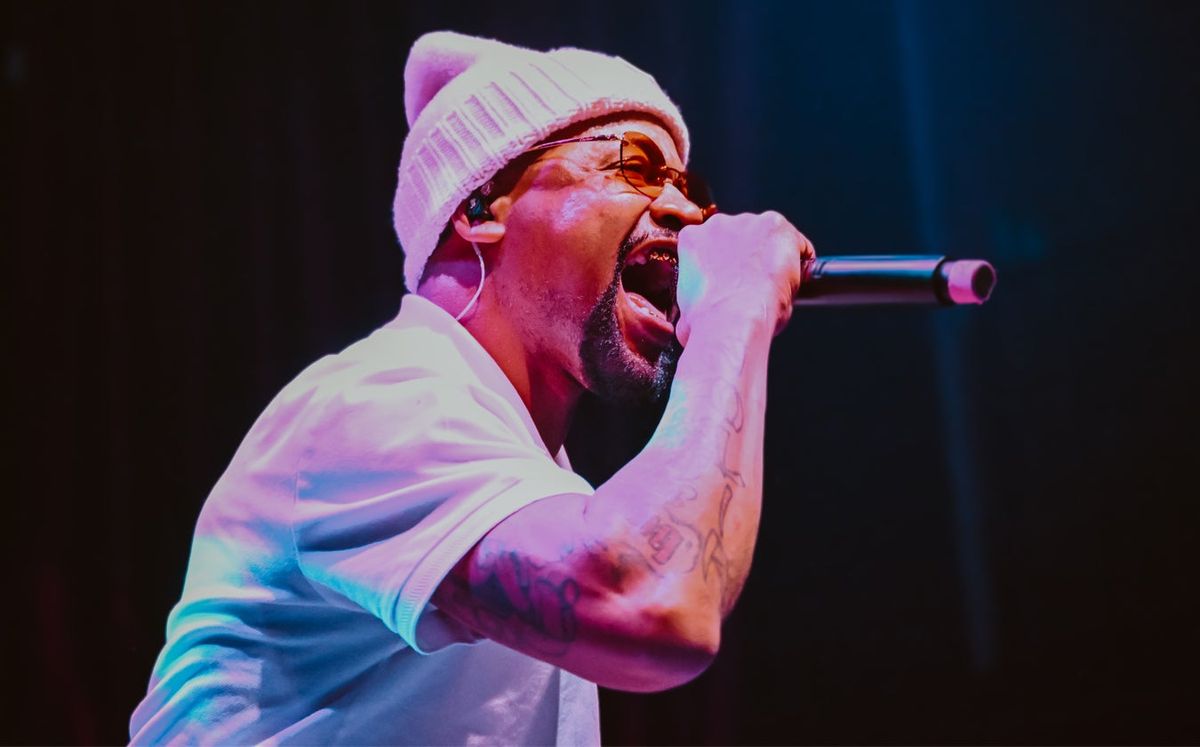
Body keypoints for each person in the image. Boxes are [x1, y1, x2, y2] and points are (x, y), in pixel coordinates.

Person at [129, 30, 814, 745]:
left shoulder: (534, 477)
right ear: (481, 208)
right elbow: (654, 600)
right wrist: (736, 307)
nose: (687, 213)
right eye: (636, 167)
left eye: (691, 189)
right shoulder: (380, 402)